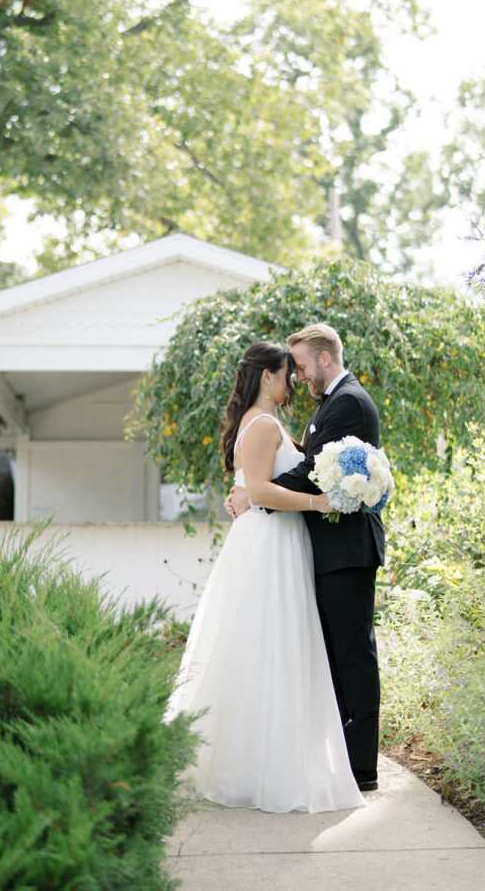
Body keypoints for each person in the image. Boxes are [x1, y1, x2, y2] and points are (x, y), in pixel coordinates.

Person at [165, 341, 365, 813]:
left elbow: (251, 487)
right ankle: (251, 764)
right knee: (263, 646)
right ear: (266, 378)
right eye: (285, 374)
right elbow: (257, 488)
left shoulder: (269, 423)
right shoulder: (259, 424)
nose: (292, 380)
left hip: (281, 540)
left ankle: (281, 757)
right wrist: (319, 502)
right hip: (268, 544)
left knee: (281, 647)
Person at [229, 324, 385, 792]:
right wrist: (253, 492)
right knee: (333, 658)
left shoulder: (349, 403)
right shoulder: (329, 405)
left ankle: (361, 770)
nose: (297, 376)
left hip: (346, 551)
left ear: (323, 358)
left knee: (352, 655)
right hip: (325, 550)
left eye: (301, 365)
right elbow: (305, 469)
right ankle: (336, 760)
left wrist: (256, 497)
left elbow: (313, 474)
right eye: (289, 368)